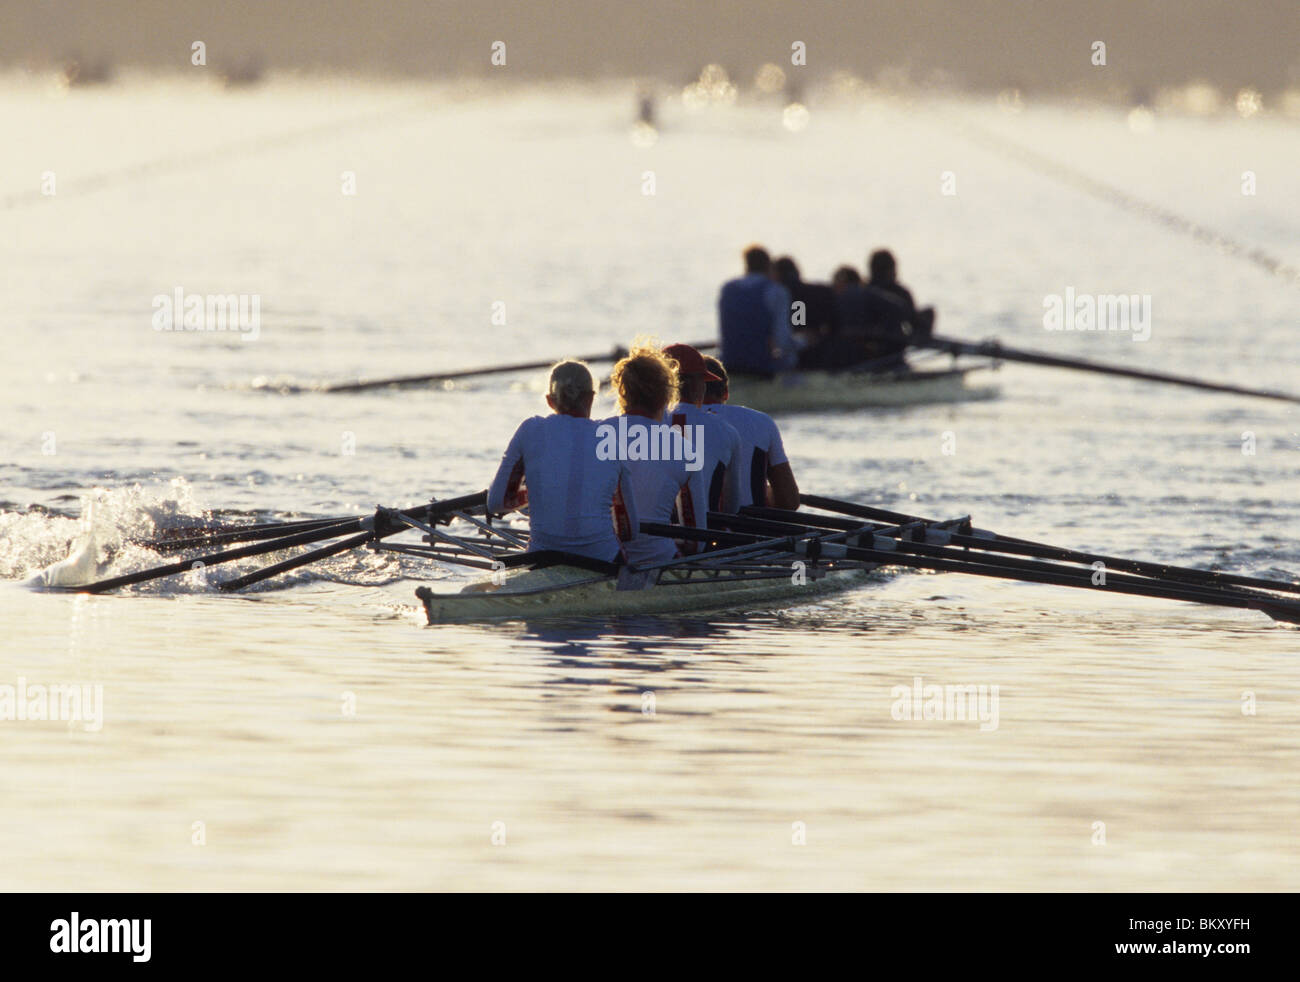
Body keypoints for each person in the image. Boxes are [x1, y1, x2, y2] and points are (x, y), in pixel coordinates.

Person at [487, 360, 635, 565]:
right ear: (591, 398)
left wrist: (538, 492)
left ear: (549, 400)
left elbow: (496, 503)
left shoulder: (531, 429)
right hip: (602, 560)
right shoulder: (611, 438)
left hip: (541, 556)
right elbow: (629, 529)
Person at [602, 344, 692, 568]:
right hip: (660, 560)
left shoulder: (596, 433)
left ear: (623, 393)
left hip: (601, 557)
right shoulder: (683, 448)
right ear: (666, 395)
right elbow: (694, 535)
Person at [662, 343, 743, 542]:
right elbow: (732, 508)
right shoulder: (727, 432)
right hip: (707, 541)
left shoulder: (643, 428)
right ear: (699, 385)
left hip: (655, 540)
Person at [702, 355, 800, 511]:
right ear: (726, 392)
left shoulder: (667, 422)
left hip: (693, 529)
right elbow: (789, 502)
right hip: (753, 528)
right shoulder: (762, 421)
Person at [718, 245, 799, 377]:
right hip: (760, 368)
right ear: (768, 266)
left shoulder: (728, 289)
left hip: (729, 363)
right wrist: (805, 341)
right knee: (792, 359)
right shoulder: (777, 291)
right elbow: (782, 342)